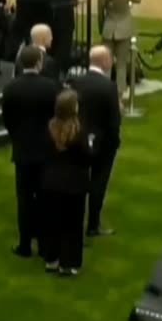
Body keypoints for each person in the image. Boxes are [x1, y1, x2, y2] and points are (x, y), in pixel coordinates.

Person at [2, 45, 63, 259]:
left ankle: (25, 244)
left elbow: (7, 119)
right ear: (39, 63)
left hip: (23, 151)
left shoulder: (11, 88)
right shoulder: (52, 87)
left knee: (24, 199)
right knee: (46, 197)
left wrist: (17, 138)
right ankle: (45, 245)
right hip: (47, 151)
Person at [70, 47, 121, 238]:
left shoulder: (75, 82)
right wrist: (114, 142)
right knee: (98, 184)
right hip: (103, 143)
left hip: (78, 139)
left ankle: (74, 222)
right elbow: (114, 120)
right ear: (105, 61)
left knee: (77, 182)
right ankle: (93, 224)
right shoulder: (108, 86)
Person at [40, 88, 92, 276]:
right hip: (74, 185)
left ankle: (51, 260)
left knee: (52, 222)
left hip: (51, 182)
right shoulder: (79, 131)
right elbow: (87, 157)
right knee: (72, 225)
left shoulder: (49, 127)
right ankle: (68, 263)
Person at [97, 0, 144, 104]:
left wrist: (102, 30)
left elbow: (101, 16)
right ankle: (118, 97)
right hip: (124, 32)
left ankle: (104, 94)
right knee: (121, 65)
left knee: (106, 65)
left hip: (108, 31)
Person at [49, 0, 77, 76]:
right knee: (63, 52)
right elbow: (73, 1)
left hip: (50, 20)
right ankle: (61, 77)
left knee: (51, 50)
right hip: (64, 22)